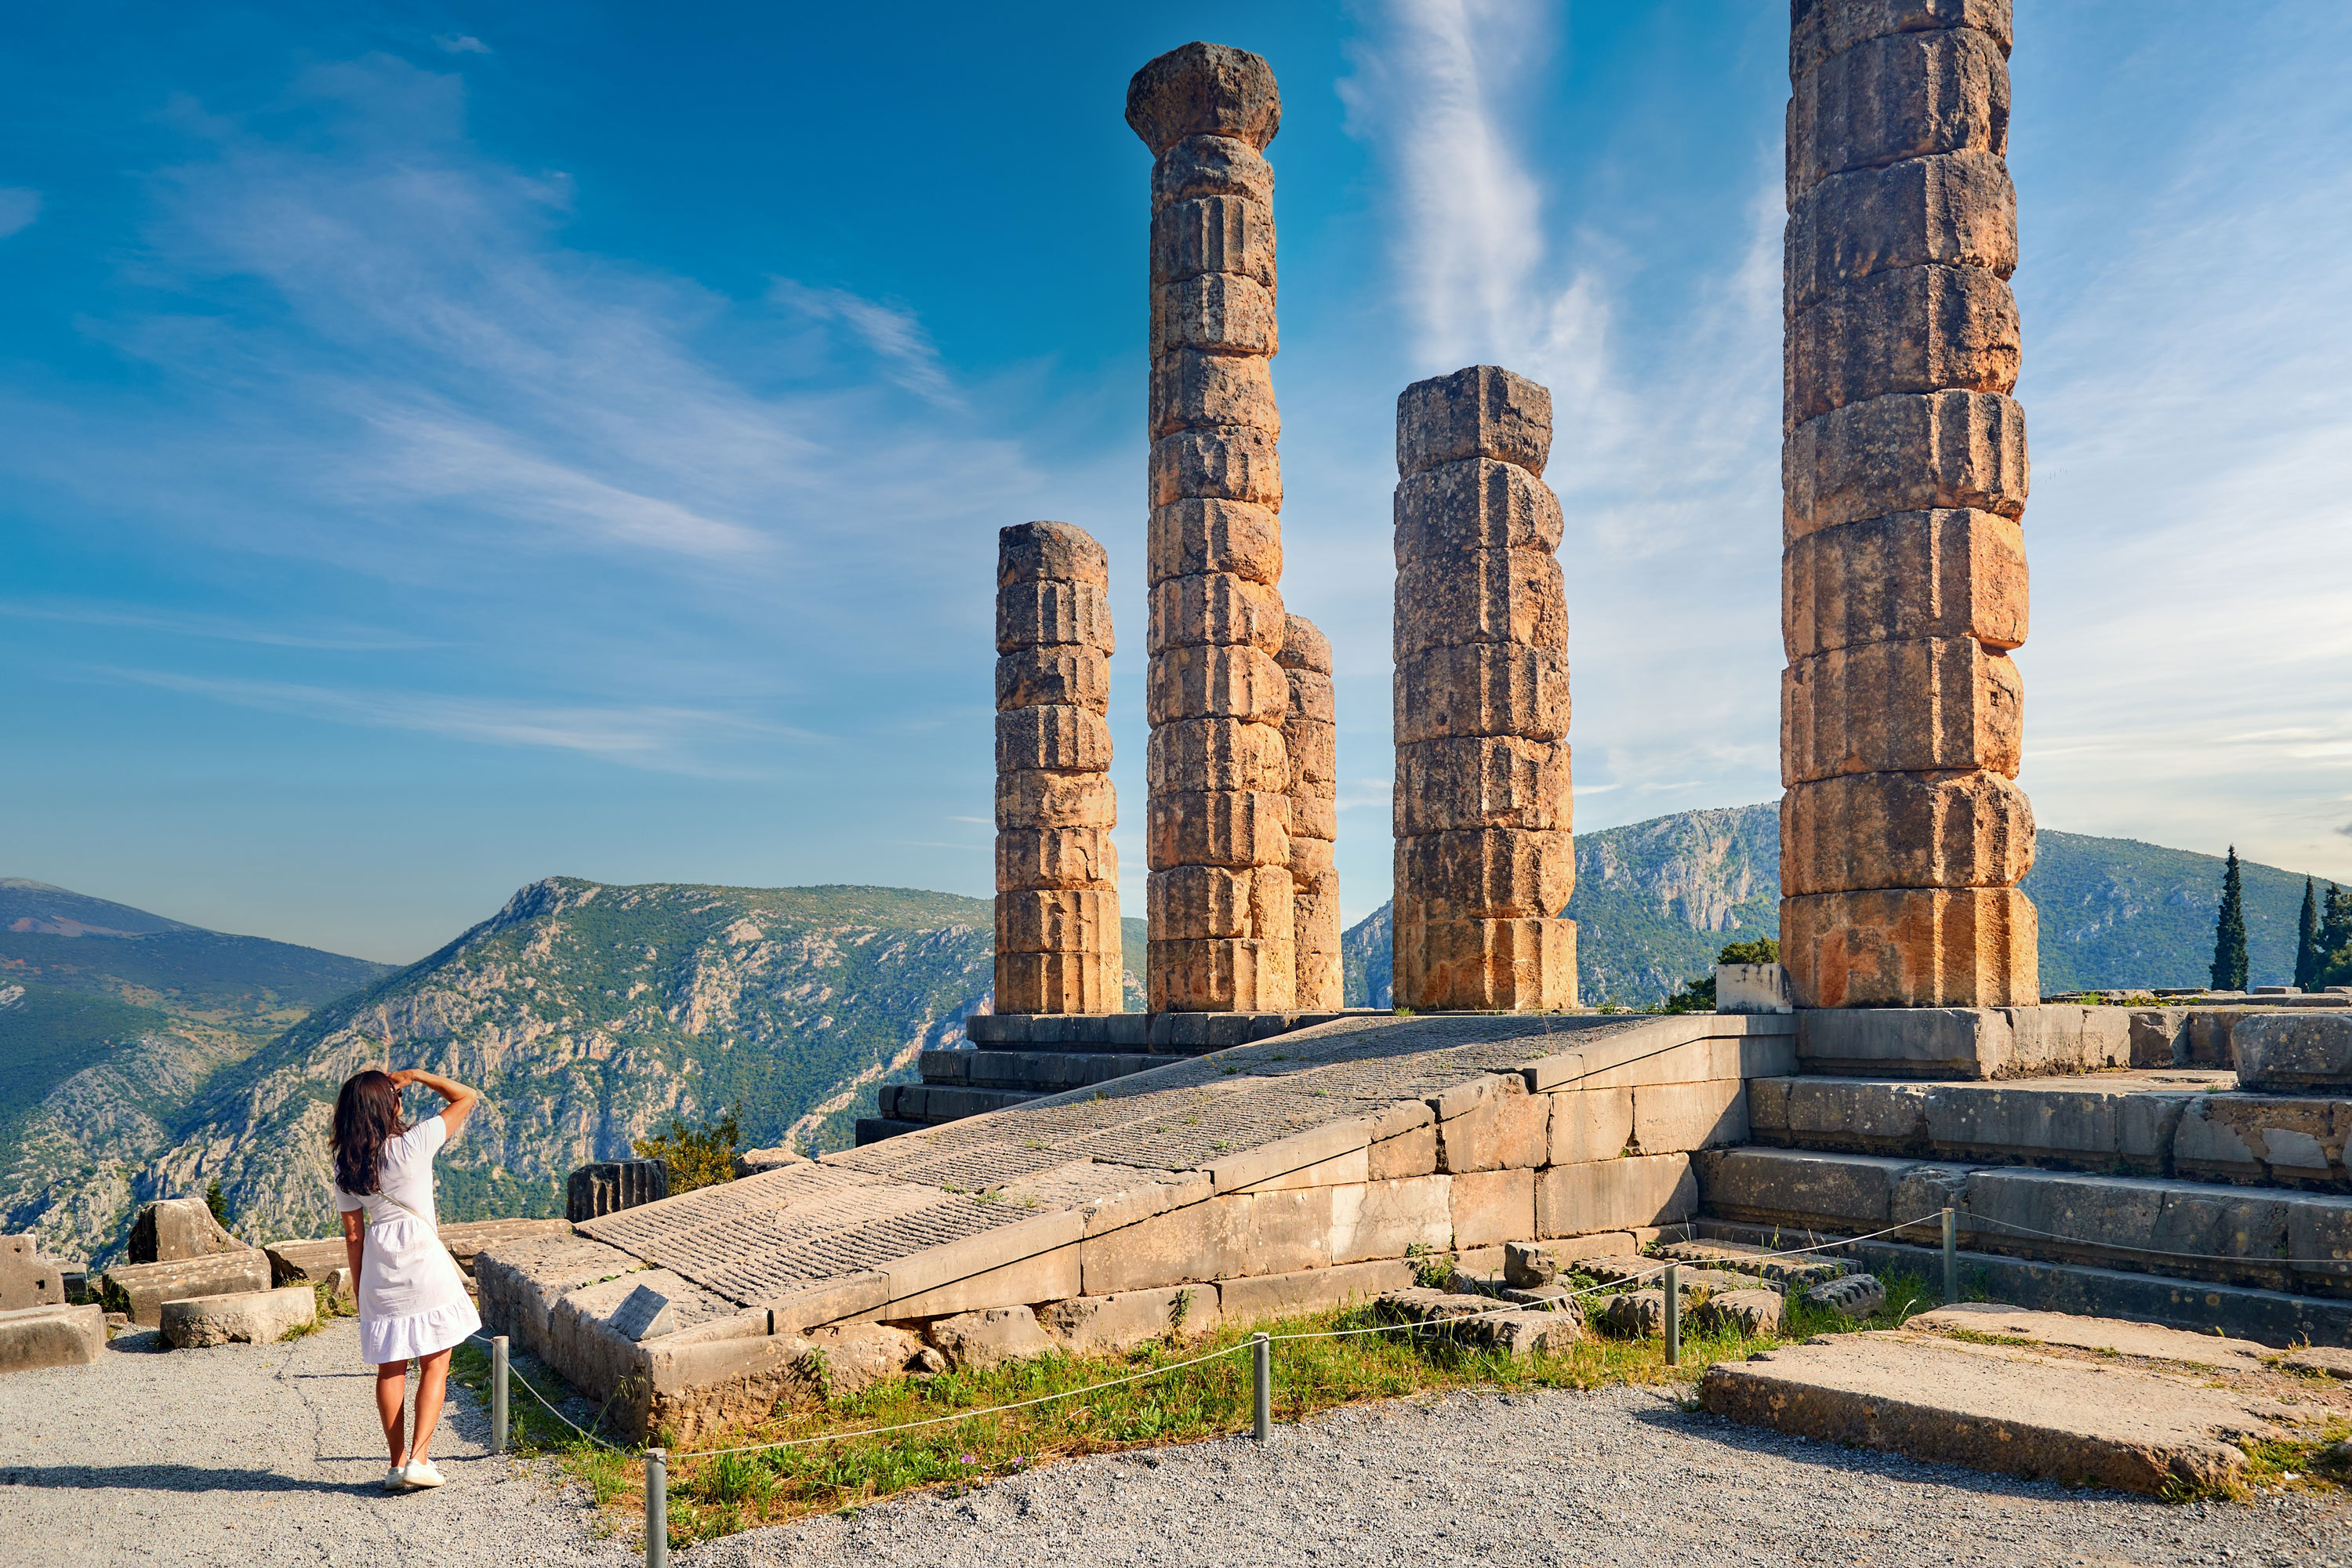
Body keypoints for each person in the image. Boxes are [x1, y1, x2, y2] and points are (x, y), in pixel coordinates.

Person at [331, 1061, 483, 1493]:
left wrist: (361, 1289)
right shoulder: (414, 1143)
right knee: (436, 1359)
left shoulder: (347, 1165)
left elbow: (353, 1235)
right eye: (396, 1098)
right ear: (388, 1106)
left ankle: (396, 1464)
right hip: (422, 1257)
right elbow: (466, 1096)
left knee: (390, 1367)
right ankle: (420, 1458)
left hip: (379, 1264)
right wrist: (416, 1076)